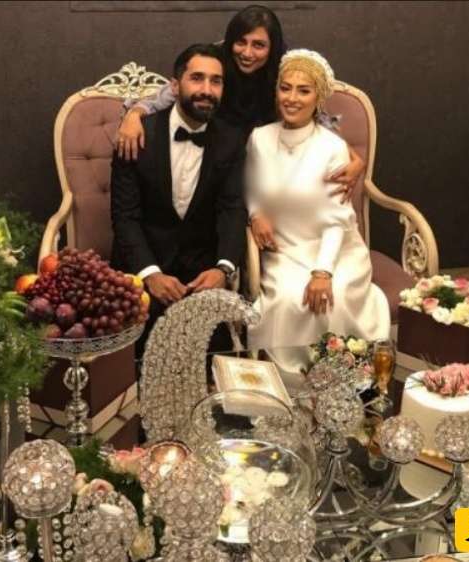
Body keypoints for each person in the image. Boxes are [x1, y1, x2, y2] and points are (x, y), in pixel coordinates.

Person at [245, 49, 390, 390]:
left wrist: (323, 271)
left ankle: (338, 379)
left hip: (335, 247)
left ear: (318, 98)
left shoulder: (332, 147)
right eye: (285, 88)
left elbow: (336, 218)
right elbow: (251, 186)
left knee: (332, 296)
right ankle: (288, 384)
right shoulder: (259, 137)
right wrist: (256, 213)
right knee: (285, 298)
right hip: (284, 247)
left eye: (303, 91)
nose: (292, 98)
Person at [116, 5, 364, 197]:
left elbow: (313, 113)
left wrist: (350, 156)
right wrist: (134, 114)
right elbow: (173, 92)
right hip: (218, 156)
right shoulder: (216, 58)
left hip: (265, 161)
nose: (247, 53)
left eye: (258, 45)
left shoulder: (284, 66)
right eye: (240, 42)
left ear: (273, 47)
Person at [110, 43, 247, 359]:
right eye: (197, 78)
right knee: (136, 368)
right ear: (174, 85)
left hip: (202, 275)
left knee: (214, 368)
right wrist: (150, 274)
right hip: (141, 269)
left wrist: (223, 269)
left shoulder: (231, 140)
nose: (207, 90)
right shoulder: (135, 135)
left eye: (216, 81)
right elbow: (124, 215)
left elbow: (233, 209)